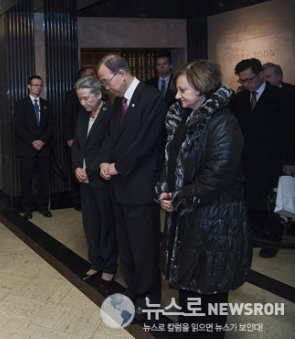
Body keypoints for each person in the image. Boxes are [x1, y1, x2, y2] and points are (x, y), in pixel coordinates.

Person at [156, 60, 252, 336]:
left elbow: (216, 177)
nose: (177, 96)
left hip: (216, 220)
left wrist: (179, 197)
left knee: (209, 287)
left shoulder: (223, 122)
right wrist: (165, 190)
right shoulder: (184, 118)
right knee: (189, 285)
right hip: (189, 215)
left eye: (183, 90)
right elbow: (171, 162)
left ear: (201, 89)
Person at [97, 54, 166, 321]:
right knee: (126, 245)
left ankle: (149, 298)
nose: (106, 87)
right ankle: (134, 291)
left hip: (138, 184)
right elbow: (110, 136)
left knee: (144, 246)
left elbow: (146, 142)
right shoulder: (118, 102)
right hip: (119, 186)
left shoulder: (151, 98)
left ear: (122, 73)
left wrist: (117, 166)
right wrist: (104, 161)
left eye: (106, 81)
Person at [230, 58, 295, 258]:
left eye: (249, 79)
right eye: (242, 81)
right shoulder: (240, 100)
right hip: (247, 160)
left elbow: (289, 130)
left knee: (272, 202)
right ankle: (255, 236)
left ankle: (272, 241)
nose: (246, 84)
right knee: (252, 199)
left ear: (259, 75)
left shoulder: (282, 96)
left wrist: (289, 160)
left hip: (273, 159)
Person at [70, 76, 117, 288]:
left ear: (99, 94)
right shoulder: (82, 115)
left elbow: (110, 146)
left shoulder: (112, 114)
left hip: (102, 179)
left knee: (106, 223)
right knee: (90, 222)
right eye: (80, 99)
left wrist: (90, 169)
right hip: (85, 179)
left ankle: (109, 266)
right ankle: (95, 261)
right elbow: (78, 144)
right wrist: (77, 167)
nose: (83, 103)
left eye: (87, 98)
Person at [14, 75, 54, 219]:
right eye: (35, 85)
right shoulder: (21, 104)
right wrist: (33, 141)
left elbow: (51, 125)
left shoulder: (47, 104)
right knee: (26, 180)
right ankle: (27, 209)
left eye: (40, 85)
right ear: (28, 86)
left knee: (44, 180)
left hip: (43, 149)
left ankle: (43, 207)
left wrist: (42, 140)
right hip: (27, 149)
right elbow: (19, 126)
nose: (38, 87)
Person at [62, 66, 97, 211]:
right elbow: (67, 118)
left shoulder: (102, 96)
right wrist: (70, 138)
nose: (94, 76)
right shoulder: (72, 95)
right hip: (77, 139)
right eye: (90, 75)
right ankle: (78, 201)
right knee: (77, 170)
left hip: (93, 142)